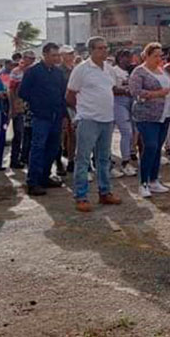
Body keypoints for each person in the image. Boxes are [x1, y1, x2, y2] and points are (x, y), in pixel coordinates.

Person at [66, 37, 122, 212]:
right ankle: (81, 196)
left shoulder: (110, 70)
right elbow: (70, 95)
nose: (104, 51)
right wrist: (81, 111)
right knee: (82, 159)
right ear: (91, 50)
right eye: (100, 48)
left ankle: (105, 192)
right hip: (88, 119)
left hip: (107, 119)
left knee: (104, 159)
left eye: (106, 48)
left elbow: (110, 90)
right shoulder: (81, 69)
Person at [19, 43, 67, 196]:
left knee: (53, 148)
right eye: (54, 55)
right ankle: (33, 182)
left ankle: (44, 176)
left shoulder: (58, 73)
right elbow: (23, 92)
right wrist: (38, 104)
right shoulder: (33, 72)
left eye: (57, 55)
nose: (57, 58)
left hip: (56, 116)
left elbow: (62, 95)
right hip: (41, 116)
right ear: (45, 55)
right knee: (38, 148)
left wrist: (64, 115)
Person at [129, 42, 170, 197]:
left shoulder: (163, 71)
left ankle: (154, 180)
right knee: (150, 146)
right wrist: (157, 94)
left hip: (165, 114)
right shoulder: (139, 72)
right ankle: (143, 183)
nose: (158, 59)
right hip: (146, 116)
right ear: (146, 56)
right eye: (155, 56)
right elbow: (135, 91)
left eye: (160, 56)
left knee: (157, 148)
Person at [111, 49, 137, 178]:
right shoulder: (114, 71)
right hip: (118, 102)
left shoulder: (131, 70)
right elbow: (112, 88)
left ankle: (128, 156)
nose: (127, 59)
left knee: (132, 131)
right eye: (124, 57)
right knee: (126, 131)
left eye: (129, 56)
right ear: (119, 58)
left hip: (131, 101)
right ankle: (125, 162)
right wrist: (126, 90)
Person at [8, 50, 35, 169]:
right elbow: (12, 90)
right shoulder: (16, 72)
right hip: (19, 105)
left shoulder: (35, 71)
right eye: (29, 58)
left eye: (33, 58)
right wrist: (13, 106)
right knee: (18, 133)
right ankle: (14, 159)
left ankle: (26, 157)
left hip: (32, 106)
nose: (32, 61)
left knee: (30, 134)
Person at [58, 45, 77, 174]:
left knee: (73, 135)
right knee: (61, 135)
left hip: (75, 105)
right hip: (62, 106)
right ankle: (59, 161)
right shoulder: (58, 71)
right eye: (68, 54)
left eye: (72, 53)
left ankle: (71, 160)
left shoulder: (76, 70)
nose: (71, 56)